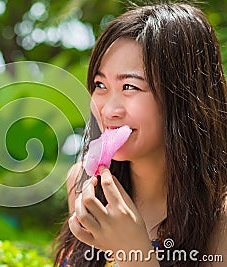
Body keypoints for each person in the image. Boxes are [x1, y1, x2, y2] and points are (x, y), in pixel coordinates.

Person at [54, 2, 227, 267]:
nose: (109, 110)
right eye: (100, 85)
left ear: (183, 98)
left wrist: (134, 253)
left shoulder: (220, 216)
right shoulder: (83, 183)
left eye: (129, 86)